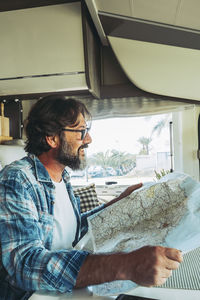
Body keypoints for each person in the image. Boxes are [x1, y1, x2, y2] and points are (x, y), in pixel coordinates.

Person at [0, 95, 183, 300]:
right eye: (80, 132)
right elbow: (24, 264)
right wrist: (127, 265)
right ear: (52, 138)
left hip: (70, 291)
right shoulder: (17, 179)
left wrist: (120, 202)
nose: (88, 139)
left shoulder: (63, 178)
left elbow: (75, 230)